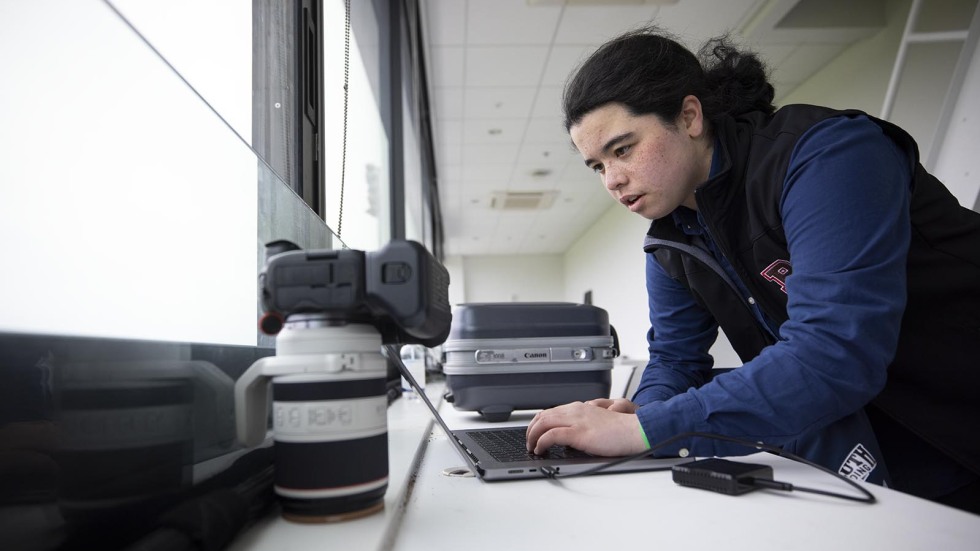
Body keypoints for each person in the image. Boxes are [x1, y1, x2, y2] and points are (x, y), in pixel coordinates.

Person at [524, 25, 980, 513]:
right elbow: (677, 360)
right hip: (889, 453)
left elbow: (833, 353)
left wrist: (645, 430)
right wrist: (640, 411)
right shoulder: (671, 238)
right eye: (597, 166)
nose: (613, 180)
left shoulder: (828, 155)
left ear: (689, 115)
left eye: (623, 149)